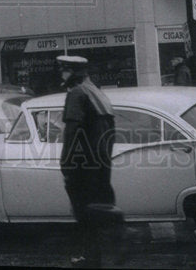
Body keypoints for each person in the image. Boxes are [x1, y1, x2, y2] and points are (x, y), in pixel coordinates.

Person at [57, 54, 118, 267]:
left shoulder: (76, 93)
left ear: (73, 72)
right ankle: (98, 254)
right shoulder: (96, 92)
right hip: (100, 163)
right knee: (96, 209)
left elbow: (73, 132)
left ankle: (90, 258)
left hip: (83, 165)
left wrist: (66, 163)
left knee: (83, 212)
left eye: (64, 69)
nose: (61, 73)